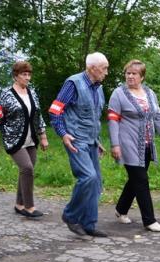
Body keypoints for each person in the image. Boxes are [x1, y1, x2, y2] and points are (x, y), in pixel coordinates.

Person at [107, 59, 160, 232]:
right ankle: (149, 220)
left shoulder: (149, 93)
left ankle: (121, 210)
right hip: (127, 143)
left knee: (135, 179)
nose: (130, 76)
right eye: (128, 73)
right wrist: (115, 144)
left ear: (142, 77)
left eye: (134, 74)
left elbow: (158, 116)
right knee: (141, 180)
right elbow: (113, 120)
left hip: (146, 144)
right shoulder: (118, 93)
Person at [49, 52, 110, 238]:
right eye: (105, 68)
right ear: (93, 68)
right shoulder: (73, 84)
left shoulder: (98, 88)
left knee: (96, 183)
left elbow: (93, 117)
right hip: (76, 141)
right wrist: (63, 134)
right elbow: (55, 110)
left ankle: (89, 224)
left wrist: (97, 141)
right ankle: (70, 215)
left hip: (91, 141)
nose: (107, 72)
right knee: (88, 177)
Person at [0, 60, 49, 218]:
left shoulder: (32, 92)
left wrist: (43, 136)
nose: (28, 78)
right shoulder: (6, 94)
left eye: (29, 74)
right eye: (24, 74)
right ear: (16, 76)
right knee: (27, 168)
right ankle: (29, 207)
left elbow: (38, 116)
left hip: (31, 139)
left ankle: (19, 204)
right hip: (14, 139)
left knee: (26, 171)